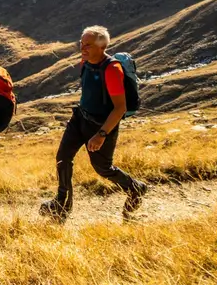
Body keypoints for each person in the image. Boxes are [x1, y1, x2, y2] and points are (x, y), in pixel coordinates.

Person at [40, 26, 148, 223]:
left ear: (102, 46)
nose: (83, 48)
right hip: (80, 117)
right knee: (62, 158)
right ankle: (62, 205)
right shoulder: (86, 62)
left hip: (100, 126)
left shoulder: (112, 70)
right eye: (81, 44)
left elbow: (120, 108)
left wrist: (101, 134)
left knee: (103, 168)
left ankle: (135, 188)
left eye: (88, 45)